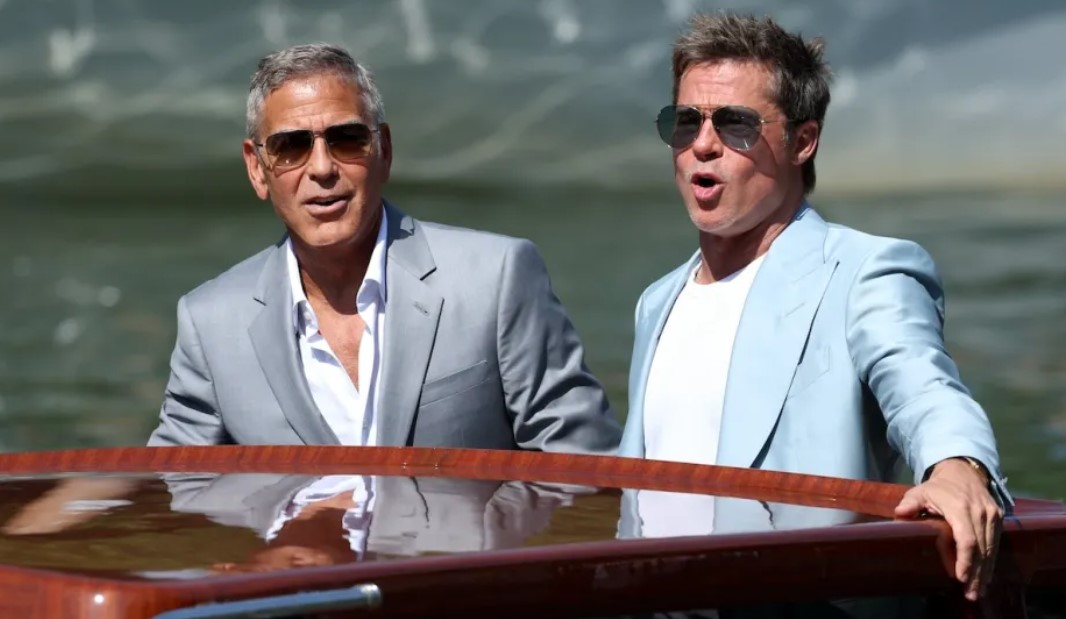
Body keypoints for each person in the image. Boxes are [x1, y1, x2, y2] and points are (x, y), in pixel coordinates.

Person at [618, 13, 1010, 601]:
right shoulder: (658, 301)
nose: (702, 144)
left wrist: (957, 467)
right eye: (684, 122)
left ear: (802, 142)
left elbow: (923, 389)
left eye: (736, 125)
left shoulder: (863, 272)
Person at [148, 43, 620, 454]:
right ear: (257, 169)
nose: (322, 168)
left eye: (346, 139)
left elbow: (583, 470)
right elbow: (172, 491)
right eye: (290, 147)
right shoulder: (210, 322)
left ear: (385, 149)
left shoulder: (495, 279)